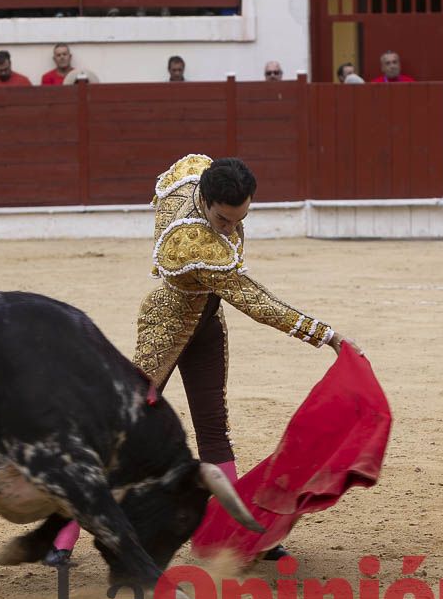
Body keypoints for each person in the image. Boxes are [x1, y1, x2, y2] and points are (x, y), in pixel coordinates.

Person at [43, 155, 351, 566]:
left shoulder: (198, 175)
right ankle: (60, 533)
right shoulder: (191, 242)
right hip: (165, 326)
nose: (231, 228)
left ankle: (239, 534)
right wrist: (325, 334)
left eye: (240, 218)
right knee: (119, 430)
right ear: (205, 202)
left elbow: (192, 168)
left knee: (213, 427)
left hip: (205, 322)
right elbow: (253, 300)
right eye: (223, 220)